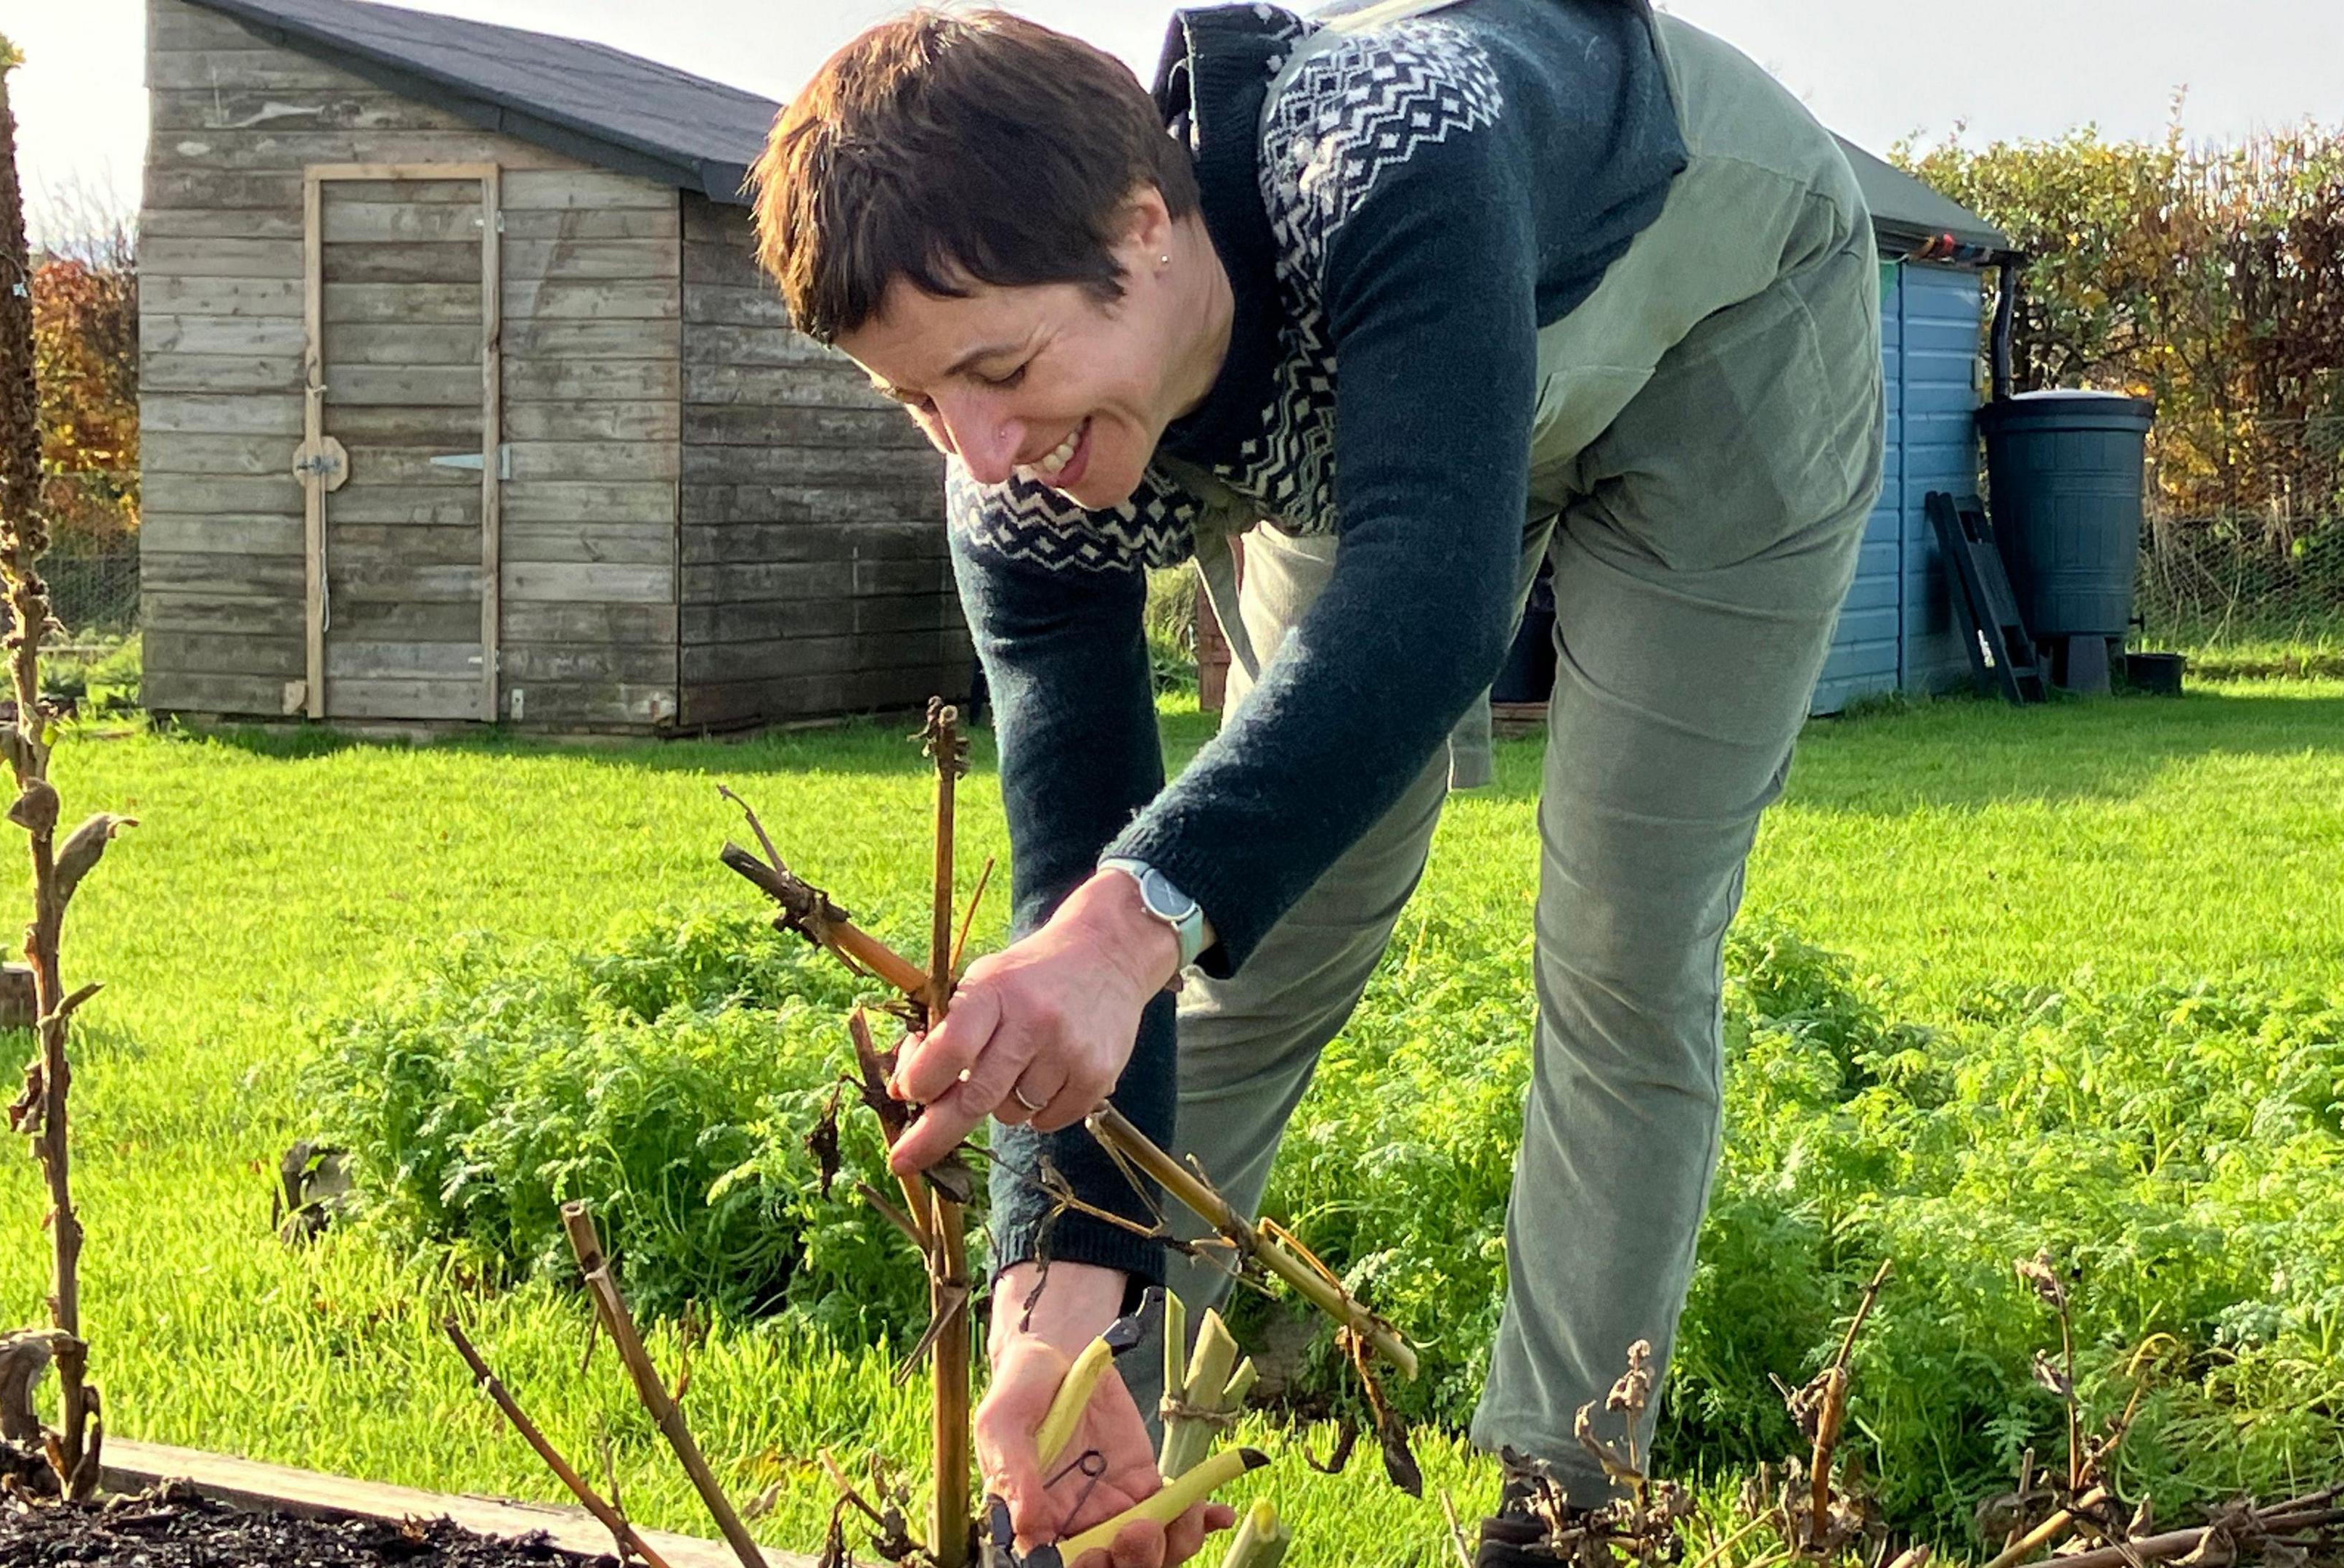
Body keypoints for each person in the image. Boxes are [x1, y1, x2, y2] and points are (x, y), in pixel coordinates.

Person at [748, 1, 1883, 1562]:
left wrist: (1126, 928)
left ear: (1145, 228)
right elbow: (1087, 863)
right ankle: (1104, 1454)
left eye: (1002, 367)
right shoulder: (1020, 474)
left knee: (1625, 933)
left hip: (1713, 324)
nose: (983, 443)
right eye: (925, 397)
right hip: (1364, 428)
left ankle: (1563, 1501)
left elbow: (1431, 610)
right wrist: (1054, 1303)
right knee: (1247, 920)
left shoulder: (1389, 141)